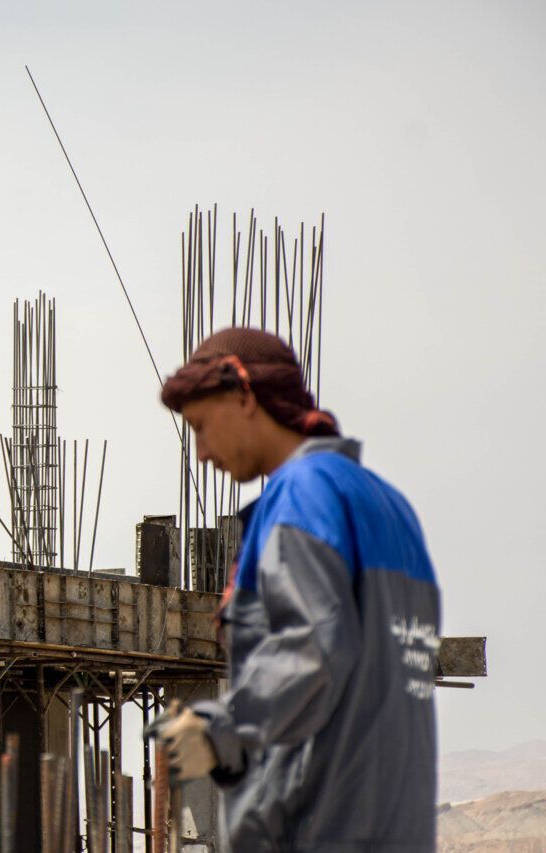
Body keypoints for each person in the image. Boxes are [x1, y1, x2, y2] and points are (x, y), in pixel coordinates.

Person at [146, 327, 441, 852]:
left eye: (200, 425)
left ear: (243, 395)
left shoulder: (304, 495)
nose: (201, 453)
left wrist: (219, 733)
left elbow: (314, 648)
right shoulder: (391, 508)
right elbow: (350, 687)